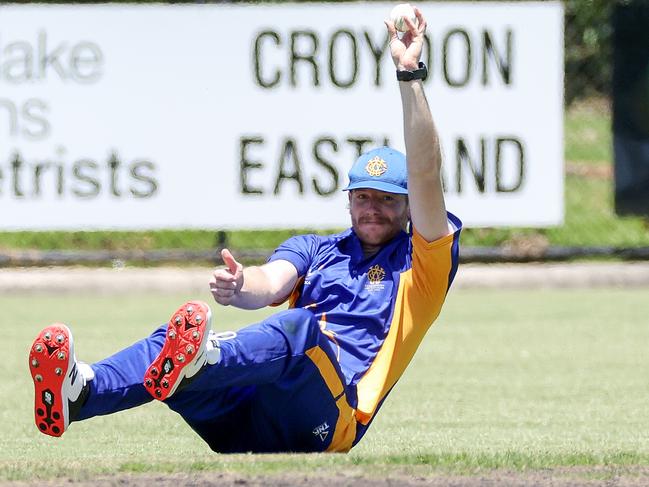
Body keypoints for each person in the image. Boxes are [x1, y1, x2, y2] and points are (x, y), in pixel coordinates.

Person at [28, 6, 461, 453]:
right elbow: (268, 281)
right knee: (168, 340)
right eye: (363, 197)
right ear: (348, 199)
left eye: (388, 199)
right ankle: (82, 392)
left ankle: (204, 360)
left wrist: (409, 74)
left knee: (299, 329)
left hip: (330, 419)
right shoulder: (317, 249)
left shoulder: (420, 265)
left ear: (410, 206)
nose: (373, 209)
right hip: (245, 422)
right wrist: (240, 285)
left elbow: (426, 171)